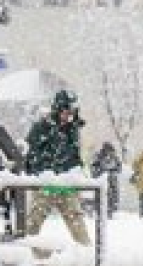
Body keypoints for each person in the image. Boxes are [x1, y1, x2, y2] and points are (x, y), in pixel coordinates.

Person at [22, 90, 91, 245]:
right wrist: (44, 171)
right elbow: (30, 156)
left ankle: (88, 255)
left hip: (66, 184)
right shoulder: (41, 128)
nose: (69, 116)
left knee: (76, 221)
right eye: (66, 111)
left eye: (72, 112)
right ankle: (25, 251)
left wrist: (77, 172)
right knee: (33, 223)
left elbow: (74, 156)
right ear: (58, 109)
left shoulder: (72, 129)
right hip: (46, 184)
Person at [90, 141, 122, 217]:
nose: (109, 152)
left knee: (109, 196)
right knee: (104, 196)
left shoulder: (112, 156)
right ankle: (105, 211)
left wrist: (111, 171)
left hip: (109, 180)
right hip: (104, 181)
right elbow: (93, 168)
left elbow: (119, 168)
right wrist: (102, 172)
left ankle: (108, 211)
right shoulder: (100, 156)